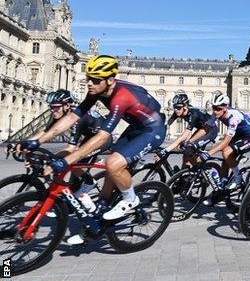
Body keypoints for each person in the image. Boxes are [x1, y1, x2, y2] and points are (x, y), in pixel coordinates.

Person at [18, 55, 167, 245]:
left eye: (95, 80)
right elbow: (72, 117)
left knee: (113, 164)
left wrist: (67, 160)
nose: (89, 84)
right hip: (135, 128)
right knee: (108, 171)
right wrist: (38, 141)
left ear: (110, 80)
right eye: (88, 78)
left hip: (152, 130)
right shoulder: (97, 90)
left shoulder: (121, 97)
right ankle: (98, 220)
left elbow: (103, 137)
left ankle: (130, 199)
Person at [23, 89, 111, 195]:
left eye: (56, 107)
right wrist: (23, 144)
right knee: (71, 173)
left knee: (72, 160)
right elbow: (45, 132)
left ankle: (89, 182)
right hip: (89, 137)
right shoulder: (57, 113)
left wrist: (50, 158)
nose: (52, 110)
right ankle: (67, 194)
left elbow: (70, 149)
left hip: (102, 139)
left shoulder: (77, 119)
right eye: (51, 107)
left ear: (67, 106)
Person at [204, 93, 250, 190]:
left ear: (225, 108)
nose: (215, 111)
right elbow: (205, 129)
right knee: (226, 159)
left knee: (226, 151)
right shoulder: (216, 114)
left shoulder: (233, 116)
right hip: (238, 135)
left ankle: (238, 179)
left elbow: (224, 142)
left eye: (218, 109)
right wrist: (192, 142)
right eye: (213, 108)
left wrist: (208, 153)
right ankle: (223, 184)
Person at [156, 93, 217, 169]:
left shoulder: (194, 113)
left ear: (185, 106)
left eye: (178, 107)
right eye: (174, 107)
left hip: (210, 131)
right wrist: (156, 137)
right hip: (200, 130)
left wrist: (165, 150)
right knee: (186, 153)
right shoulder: (177, 112)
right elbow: (166, 126)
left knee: (188, 149)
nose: (176, 110)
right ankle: (184, 174)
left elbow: (184, 135)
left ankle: (203, 171)